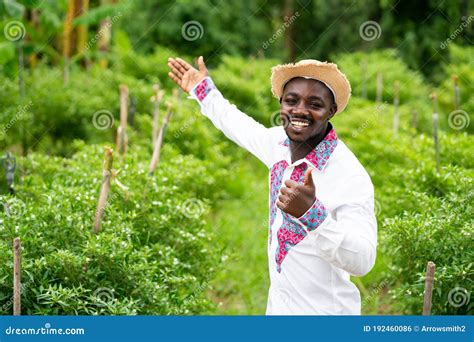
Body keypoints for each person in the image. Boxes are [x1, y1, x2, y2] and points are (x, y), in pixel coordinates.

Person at [167, 56, 377, 315]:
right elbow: (238, 125)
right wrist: (204, 91)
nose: (300, 110)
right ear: (281, 104)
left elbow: (363, 260)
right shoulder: (278, 144)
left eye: (315, 104)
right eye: (292, 100)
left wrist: (312, 214)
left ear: (331, 111)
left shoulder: (349, 176)